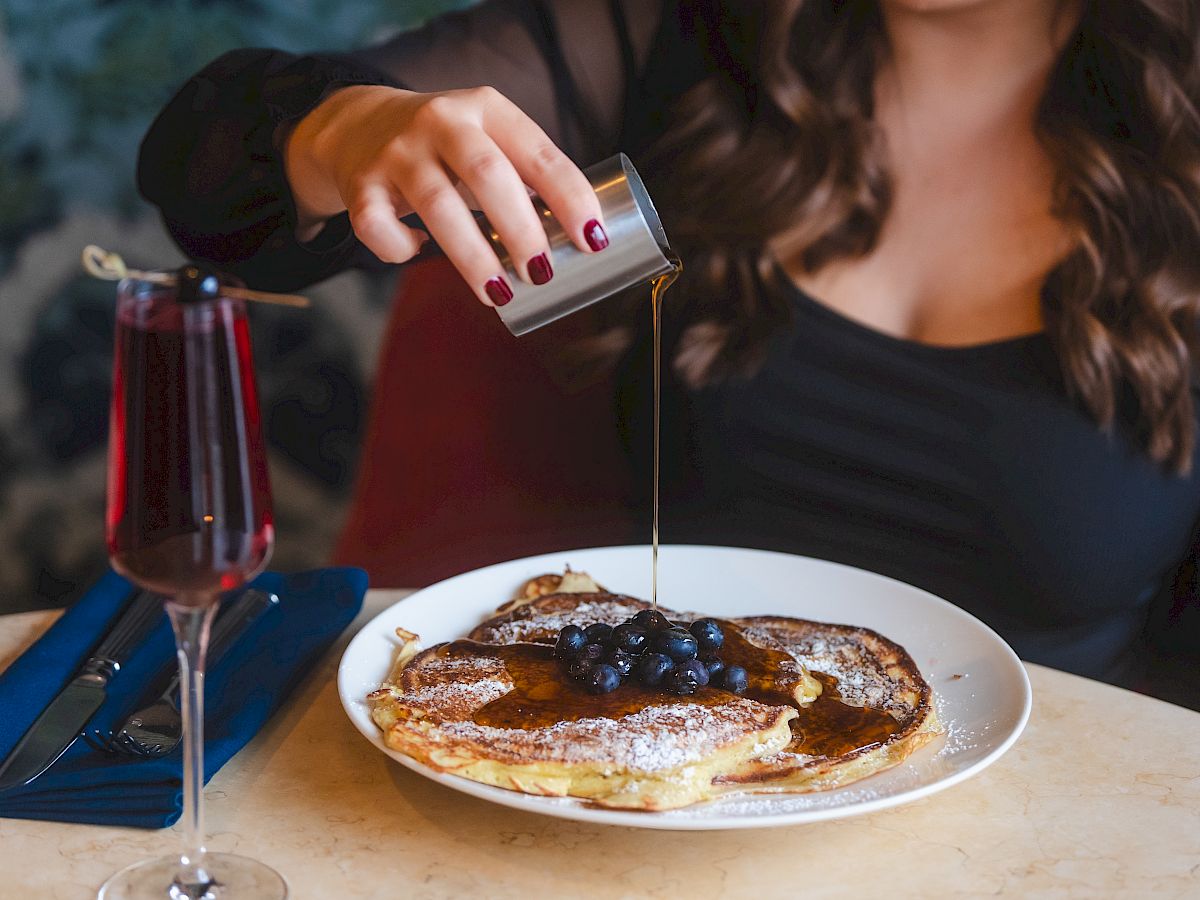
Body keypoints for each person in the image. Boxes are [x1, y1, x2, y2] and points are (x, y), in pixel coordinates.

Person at [137, 0, 1200, 705]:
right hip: (675, 790)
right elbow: (202, 179)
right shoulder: (685, 35)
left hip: (1064, 815)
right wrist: (344, 133)